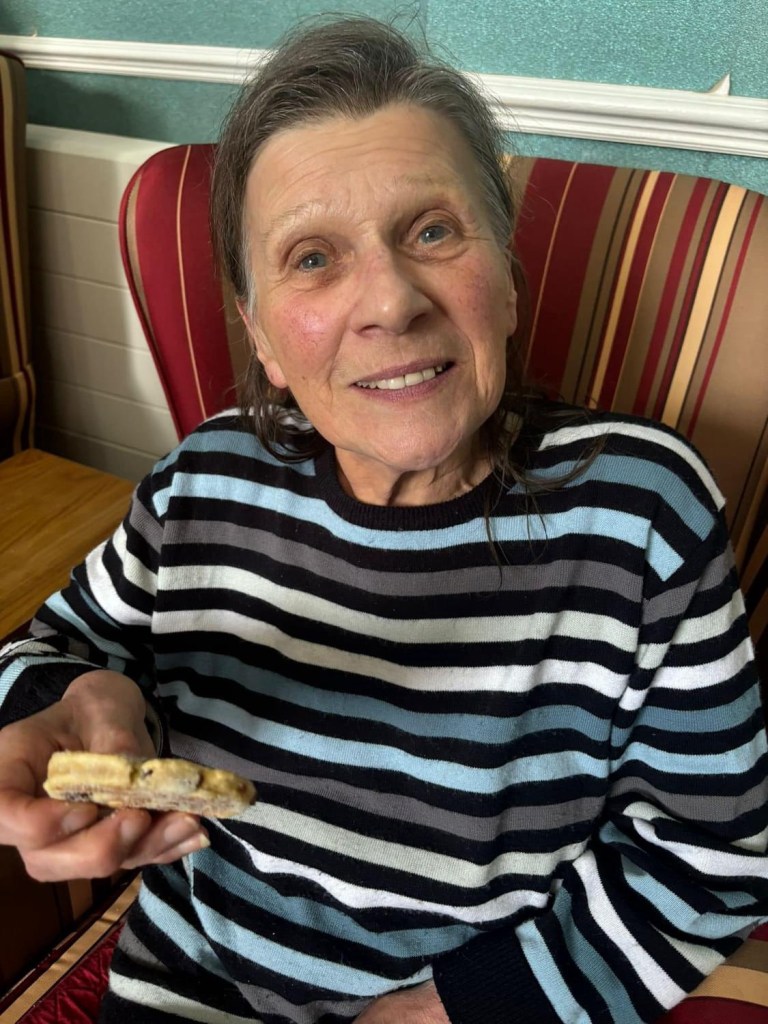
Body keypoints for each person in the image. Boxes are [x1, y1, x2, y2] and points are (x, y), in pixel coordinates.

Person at [0, 15, 766, 1024]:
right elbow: (48, 647)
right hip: (191, 989)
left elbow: (711, 856)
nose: (391, 303)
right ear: (262, 335)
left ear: (508, 280)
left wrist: (442, 1012)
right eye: (313, 257)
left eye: (433, 231)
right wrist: (63, 697)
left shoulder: (640, 511)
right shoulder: (204, 481)